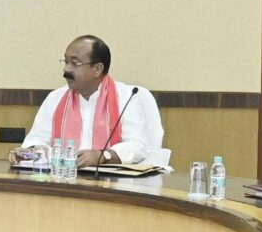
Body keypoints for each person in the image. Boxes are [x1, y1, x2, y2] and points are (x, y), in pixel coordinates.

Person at [13, 35, 164, 169]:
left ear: (97, 69)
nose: (66, 70)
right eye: (66, 62)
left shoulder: (127, 97)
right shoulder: (55, 98)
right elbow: (38, 139)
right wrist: (29, 153)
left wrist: (103, 156)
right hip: (64, 178)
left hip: (114, 182)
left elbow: (138, 146)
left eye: (75, 63)